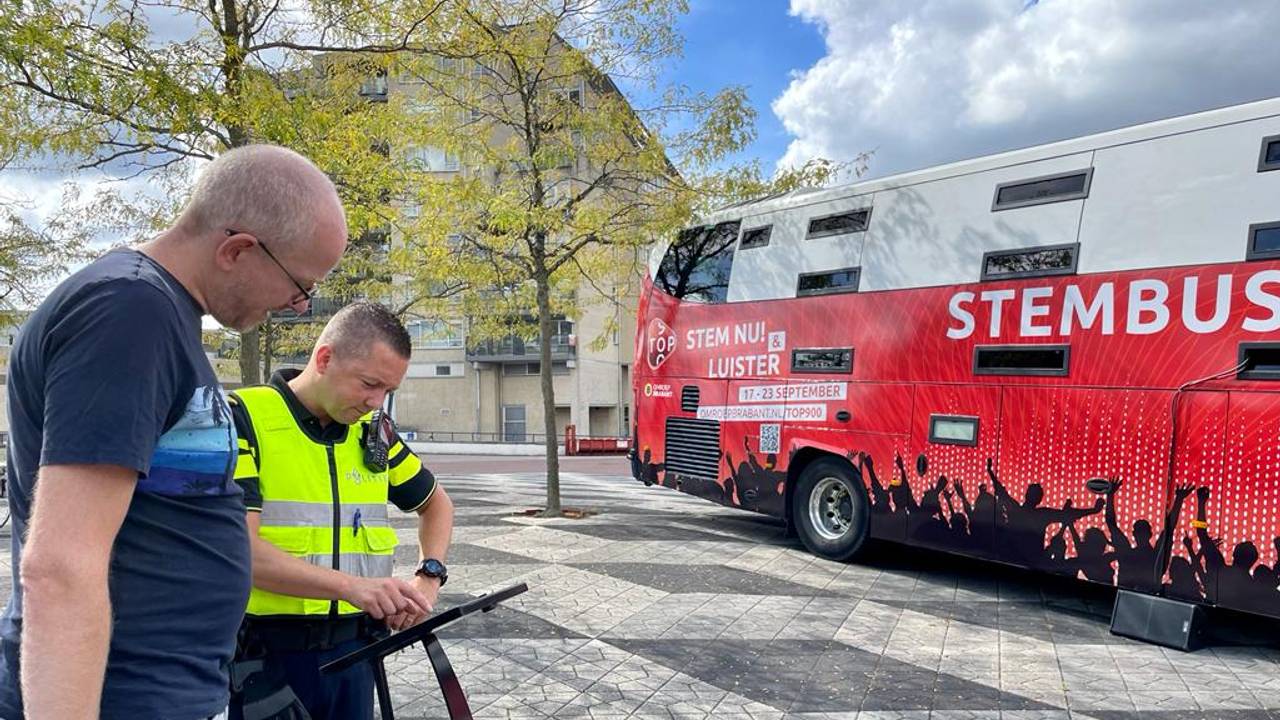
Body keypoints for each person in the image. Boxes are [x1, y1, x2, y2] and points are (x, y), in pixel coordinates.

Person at [0, 144, 349, 720]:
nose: (298, 305)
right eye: (299, 286)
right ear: (237, 250)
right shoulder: (129, 311)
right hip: (121, 697)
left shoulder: (160, 314)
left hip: (162, 690)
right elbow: (59, 566)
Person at [228, 302, 454, 720]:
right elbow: (240, 551)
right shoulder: (244, 418)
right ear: (325, 358)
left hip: (357, 653)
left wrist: (429, 578)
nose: (376, 402)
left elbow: (437, 504)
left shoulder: (373, 435)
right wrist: (354, 587)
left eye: (388, 390)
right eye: (369, 384)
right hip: (268, 658)